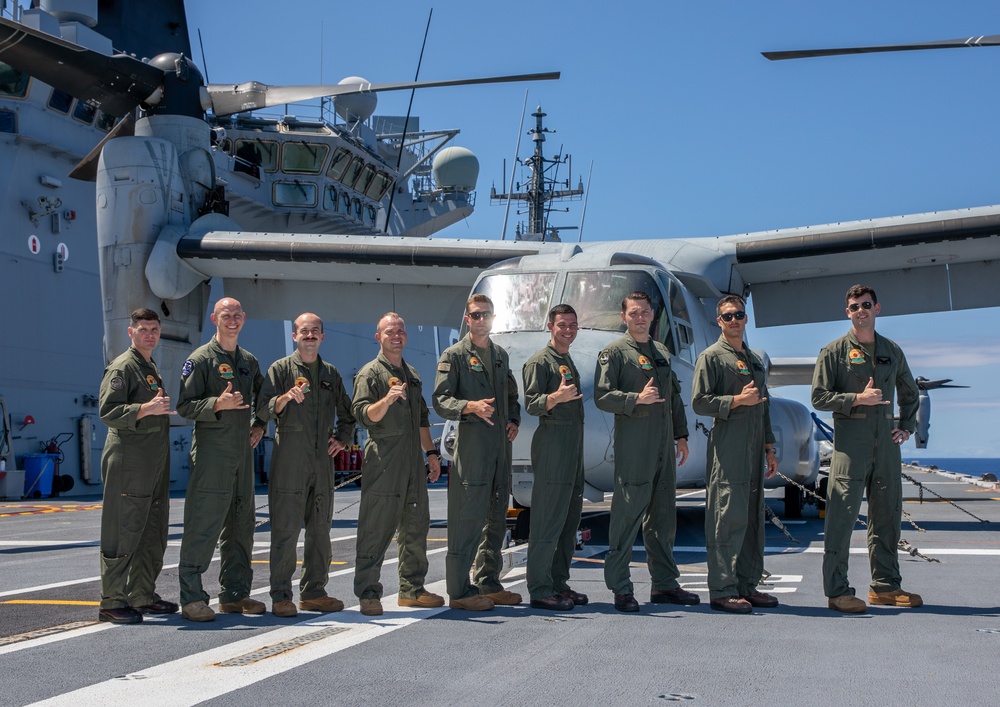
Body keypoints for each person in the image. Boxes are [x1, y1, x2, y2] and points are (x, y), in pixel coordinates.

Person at [812, 284, 921, 614]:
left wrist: (908, 426)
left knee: (887, 517)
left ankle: (886, 586)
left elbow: (910, 391)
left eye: (866, 304)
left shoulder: (891, 350)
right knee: (841, 520)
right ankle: (838, 591)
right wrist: (857, 398)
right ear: (848, 312)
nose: (861, 310)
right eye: (855, 306)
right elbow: (819, 397)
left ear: (877, 308)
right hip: (850, 448)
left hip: (886, 447)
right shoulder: (833, 352)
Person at [594, 291, 697, 612]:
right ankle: (621, 588)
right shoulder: (614, 353)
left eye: (645, 312)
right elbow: (602, 396)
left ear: (653, 315)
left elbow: (673, 397)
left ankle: (664, 584)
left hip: (664, 447)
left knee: (663, 520)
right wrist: (635, 399)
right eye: (634, 313)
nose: (640, 317)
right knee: (626, 519)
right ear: (624, 317)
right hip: (635, 448)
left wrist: (681, 436)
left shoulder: (661, 351)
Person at [257, 313, 355, 618]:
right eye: (304, 331)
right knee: (285, 530)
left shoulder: (330, 373)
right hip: (290, 458)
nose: (309, 335)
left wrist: (342, 439)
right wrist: (285, 398)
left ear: (322, 337)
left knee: (320, 530)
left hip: (322, 462)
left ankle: (314, 592)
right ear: (294, 336)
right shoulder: (280, 370)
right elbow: (262, 408)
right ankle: (281, 595)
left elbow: (348, 415)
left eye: (315, 331)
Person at [176, 297, 266, 622]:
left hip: (242, 453)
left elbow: (265, 396)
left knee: (241, 525)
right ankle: (191, 597)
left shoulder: (249, 361)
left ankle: (235, 594)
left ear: (244, 318)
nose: (232, 320)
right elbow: (185, 406)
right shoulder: (200, 360)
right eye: (226, 315)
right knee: (204, 524)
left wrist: (260, 424)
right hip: (213, 455)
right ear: (214, 318)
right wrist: (217, 404)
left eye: (237, 315)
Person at [352, 313, 445, 616]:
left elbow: (421, 419)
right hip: (384, 462)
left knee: (416, 527)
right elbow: (365, 416)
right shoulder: (370, 374)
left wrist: (431, 455)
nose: (396, 336)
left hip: (411, 463)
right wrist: (388, 399)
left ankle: (412, 589)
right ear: (378, 337)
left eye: (401, 331)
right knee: (376, 528)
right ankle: (368, 592)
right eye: (389, 332)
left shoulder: (412, 374)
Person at [433, 294, 521, 611]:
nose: (482, 320)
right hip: (472, 447)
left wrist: (513, 419)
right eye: (476, 315)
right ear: (467, 319)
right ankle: (459, 590)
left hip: (500, 448)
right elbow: (441, 400)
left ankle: (489, 582)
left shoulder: (499, 356)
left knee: (496, 517)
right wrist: (469, 406)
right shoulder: (454, 356)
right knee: (467, 519)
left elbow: (511, 393)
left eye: (487, 315)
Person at [691, 296, 779, 614]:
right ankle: (723, 589)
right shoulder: (712, 357)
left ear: (745, 318)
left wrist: (770, 448)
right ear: (719, 321)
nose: (734, 320)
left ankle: (747, 584)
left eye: (739, 315)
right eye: (727, 316)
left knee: (753, 518)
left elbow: (764, 407)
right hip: (728, 447)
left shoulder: (754, 360)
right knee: (727, 518)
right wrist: (735, 401)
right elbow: (700, 401)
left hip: (755, 448)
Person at [97, 308, 178, 624]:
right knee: (124, 528)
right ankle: (112, 600)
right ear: (130, 332)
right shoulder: (123, 367)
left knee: (151, 528)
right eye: (143, 329)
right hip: (129, 461)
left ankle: (141, 595)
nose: (150, 334)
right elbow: (107, 411)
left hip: (152, 461)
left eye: (154, 329)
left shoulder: (148, 366)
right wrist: (146, 408)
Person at [522, 304, 587, 612]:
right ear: (550, 326)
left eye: (573, 324)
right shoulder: (540, 362)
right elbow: (532, 404)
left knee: (567, 520)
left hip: (572, 446)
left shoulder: (565, 359)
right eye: (562, 324)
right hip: (552, 444)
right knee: (548, 521)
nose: (568, 329)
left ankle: (558, 582)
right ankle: (540, 588)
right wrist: (555, 398)